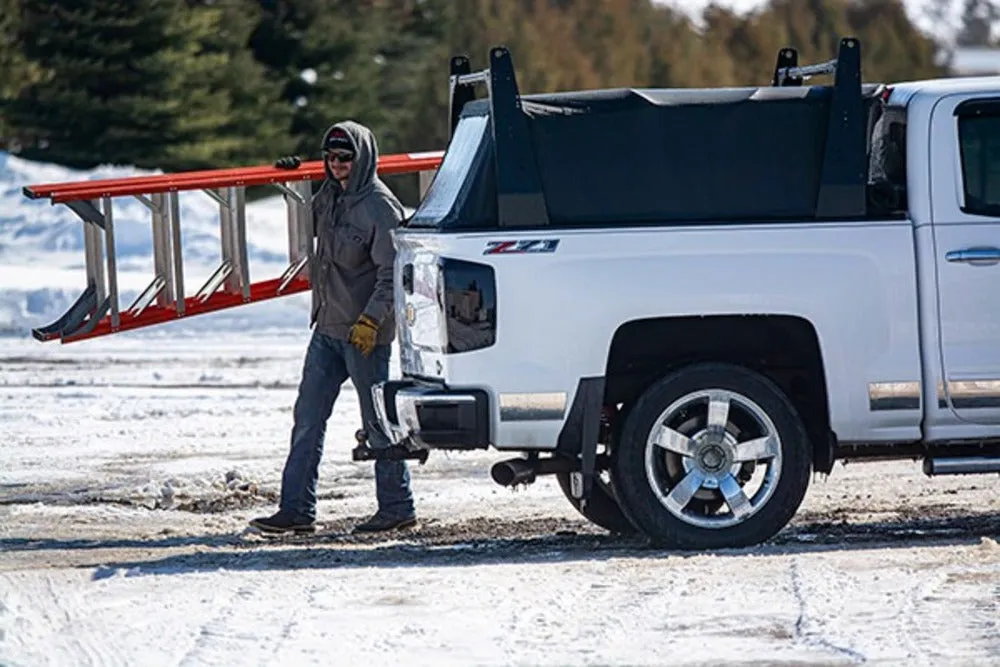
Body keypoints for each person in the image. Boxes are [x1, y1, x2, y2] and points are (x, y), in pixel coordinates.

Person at [249, 121, 416, 535]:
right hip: (326, 329)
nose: (336, 164)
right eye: (330, 157)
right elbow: (306, 227)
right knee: (307, 417)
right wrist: (290, 179)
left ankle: (397, 508)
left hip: (364, 334)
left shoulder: (380, 206)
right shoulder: (329, 197)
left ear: (362, 159)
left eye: (344, 158)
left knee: (378, 423)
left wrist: (372, 320)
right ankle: (296, 510)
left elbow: (392, 273)